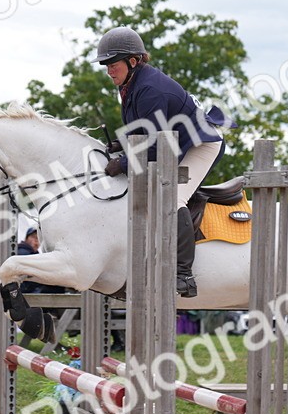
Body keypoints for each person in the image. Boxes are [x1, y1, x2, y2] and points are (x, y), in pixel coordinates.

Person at [97, 26, 227, 298]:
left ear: (133, 61)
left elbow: (156, 147)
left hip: (201, 145)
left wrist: (122, 163)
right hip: (175, 142)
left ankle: (183, 274)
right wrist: (123, 145)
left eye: (113, 64)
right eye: (106, 65)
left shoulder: (149, 89)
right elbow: (147, 132)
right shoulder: (130, 86)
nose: (109, 70)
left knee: (172, 198)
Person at [15, 228, 63, 295]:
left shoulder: (34, 254)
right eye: (33, 237)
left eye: (39, 238)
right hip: (26, 290)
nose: (36, 241)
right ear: (26, 239)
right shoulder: (23, 252)